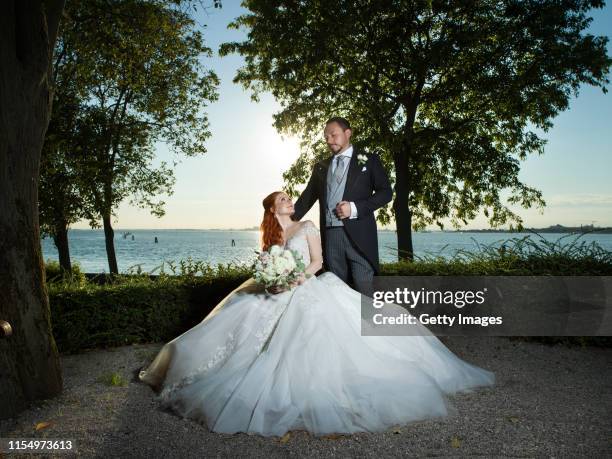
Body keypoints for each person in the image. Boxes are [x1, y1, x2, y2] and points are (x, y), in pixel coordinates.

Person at [138, 191, 495, 437]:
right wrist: (273, 281)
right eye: (282, 199)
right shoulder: (273, 238)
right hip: (277, 290)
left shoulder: (306, 227)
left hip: (306, 286)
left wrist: (293, 279)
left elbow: (318, 261)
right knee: (241, 317)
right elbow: (268, 267)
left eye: (288, 197)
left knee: (317, 335)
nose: (289, 200)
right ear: (273, 209)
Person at [292, 117, 392, 295]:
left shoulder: (368, 160)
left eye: (333, 135)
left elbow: (386, 193)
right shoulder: (321, 167)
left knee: (364, 290)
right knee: (335, 290)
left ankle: (367, 323)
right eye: (326, 137)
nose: (329, 140)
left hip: (360, 236)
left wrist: (354, 208)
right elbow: (306, 199)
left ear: (348, 133)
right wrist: (286, 224)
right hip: (331, 236)